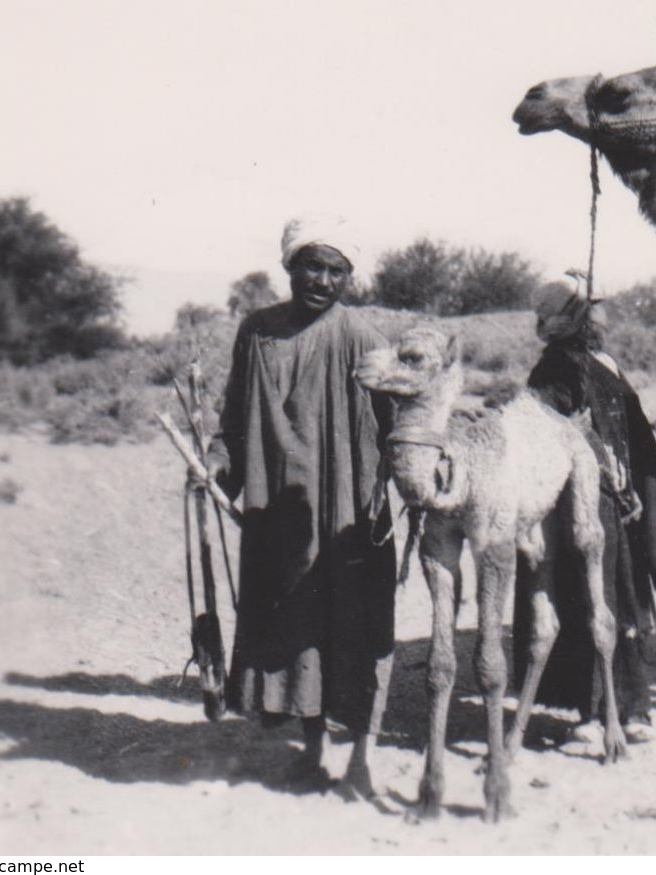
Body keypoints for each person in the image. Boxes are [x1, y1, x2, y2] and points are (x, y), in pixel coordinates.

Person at [204, 216, 396, 796]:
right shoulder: (257, 331)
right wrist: (217, 465)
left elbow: (400, 426)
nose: (323, 279)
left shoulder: (363, 339)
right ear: (290, 266)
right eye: (313, 265)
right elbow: (235, 417)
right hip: (277, 515)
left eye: (337, 270)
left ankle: (359, 758)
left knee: (354, 627)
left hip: (347, 516)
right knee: (295, 629)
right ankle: (312, 750)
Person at [513, 285, 656, 749]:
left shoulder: (604, 369)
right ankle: (604, 713)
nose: (601, 322)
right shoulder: (553, 371)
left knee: (614, 600)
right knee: (593, 600)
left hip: (611, 504)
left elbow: (635, 441)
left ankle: (625, 711)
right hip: (576, 503)